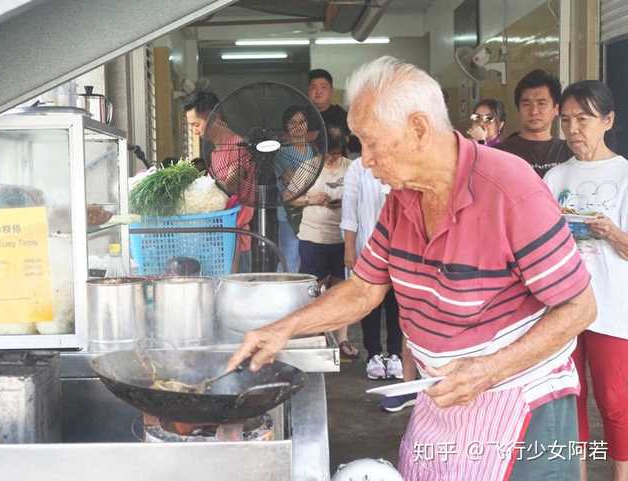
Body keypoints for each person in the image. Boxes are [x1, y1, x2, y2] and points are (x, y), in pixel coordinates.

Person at [228, 56, 597, 481]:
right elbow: (365, 288)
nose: (364, 160)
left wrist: (488, 370)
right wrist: (285, 329)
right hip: (440, 393)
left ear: (419, 129)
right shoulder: (401, 200)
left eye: (371, 142)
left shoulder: (510, 190)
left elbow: (579, 308)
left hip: (521, 400)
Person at [543, 80, 628, 481]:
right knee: (570, 397)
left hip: (612, 308)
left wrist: (611, 232)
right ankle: (575, 475)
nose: (573, 128)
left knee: (615, 401)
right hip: (563, 308)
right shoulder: (555, 178)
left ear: (607, 120)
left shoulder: (625, 175)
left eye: (584, 118)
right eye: (566, 120)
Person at [293, 125, 357, 360]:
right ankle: (315, 334)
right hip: (313, 237)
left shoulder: (352, 169)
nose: (331, 158)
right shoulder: (309, 167)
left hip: (342, 238)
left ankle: (342, 339)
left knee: (341, 290)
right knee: (314, 288)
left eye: (336, 153)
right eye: (328, 153)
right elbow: (291, 198)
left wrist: (344, 202)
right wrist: (311, 199)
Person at [341, 157, 403, 377]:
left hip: (401, 248)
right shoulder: (358, 167)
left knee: (398, 304)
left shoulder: (403, 162)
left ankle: (396, 354)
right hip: (367, 247)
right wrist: (349, 248)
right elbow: (349, 213)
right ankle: (374, 354)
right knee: (370, 303)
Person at [183, 89, 253, 272]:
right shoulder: (215, 152)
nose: (194, 131)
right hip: (219, 239)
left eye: (196, 124)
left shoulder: (240, 147)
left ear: (213, 117)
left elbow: (231, 189)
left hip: (236, 240)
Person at [496, 69, 572, 177]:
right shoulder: (499, 154)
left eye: (541, 103)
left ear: (556, 109)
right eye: (526, 104)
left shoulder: (570, 153)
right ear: (518, 109)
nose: (534, 111)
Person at [275, 105, 317, 273]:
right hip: (289, 213)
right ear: (286, 126)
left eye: (302, 122)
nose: (298, 127)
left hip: (310, 210)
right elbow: (292, 179)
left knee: (305, 258)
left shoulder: (312, 149)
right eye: (293, 123)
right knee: (289, 256)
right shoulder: (281, 152)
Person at [308, 68, 360, 155]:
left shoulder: (343, 115)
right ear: (308, 91)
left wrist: (342, 138)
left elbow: (357, 145)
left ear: (332, 91)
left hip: (337, 166)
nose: (318, 91)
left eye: (323, 87)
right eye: (313, 87)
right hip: (307, 166)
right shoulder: (300, 116)